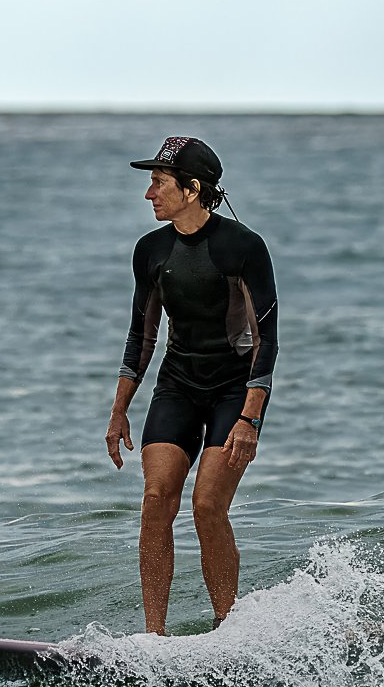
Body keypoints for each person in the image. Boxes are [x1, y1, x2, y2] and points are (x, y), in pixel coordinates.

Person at [105, 137, 279, 634]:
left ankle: (229, 630)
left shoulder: (243, 247)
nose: (149, 193)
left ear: (192, 188)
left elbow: (267, 341)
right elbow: (141, 336)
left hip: (233, 391)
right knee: (158, 499)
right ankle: (153, 637)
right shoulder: (151, 251)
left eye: (158, 182)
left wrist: (251, 418)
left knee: (206, 505)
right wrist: (119, 410)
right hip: (178, 385)